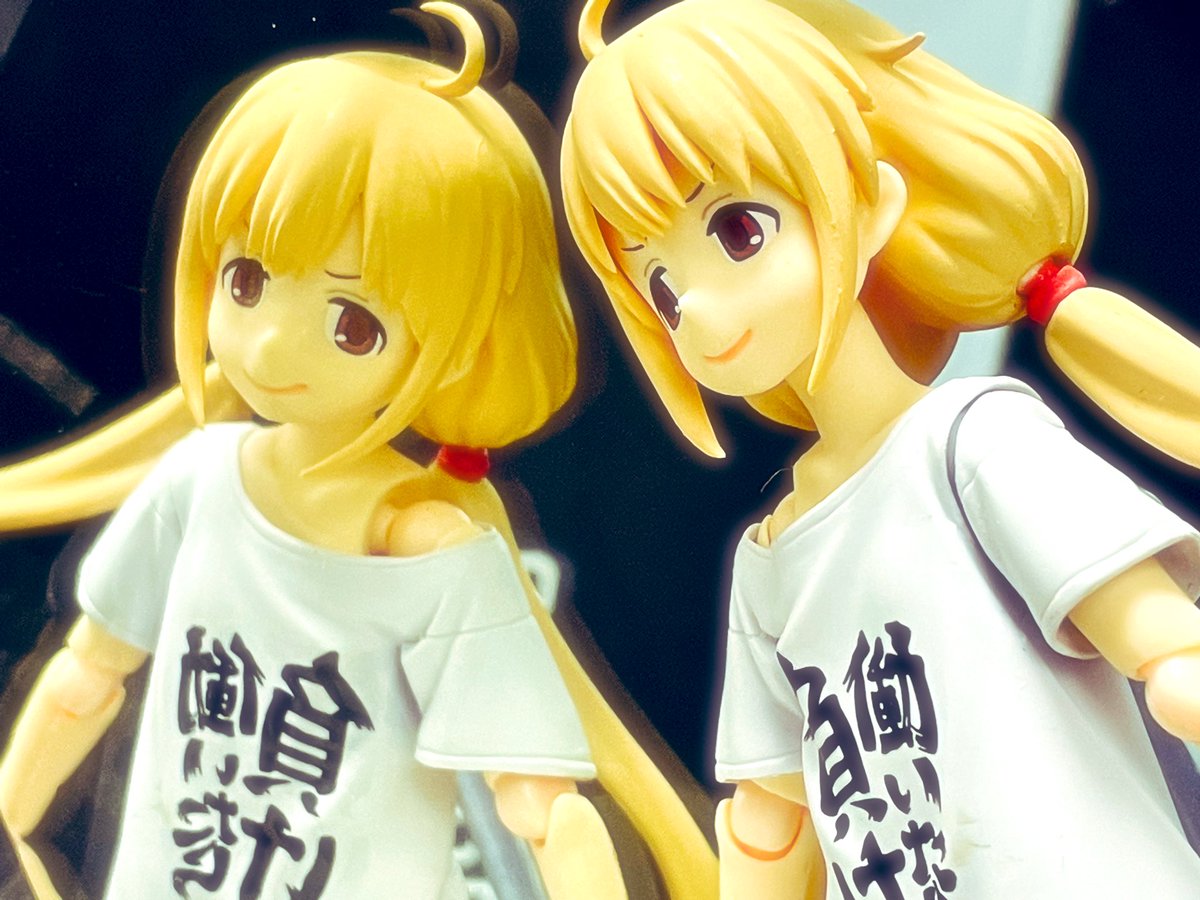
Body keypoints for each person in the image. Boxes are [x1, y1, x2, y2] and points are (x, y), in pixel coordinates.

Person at [0, 3, 716, 897]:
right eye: (246, 280)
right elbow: (84, 679)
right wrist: (15, 826)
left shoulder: (435, 552)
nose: (269, 346)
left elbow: (541, 804)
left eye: (352, 324)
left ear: (460, 340)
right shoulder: (196, 481)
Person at [561, 0, 1200, 896]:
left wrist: (1174, 668)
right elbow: (771, 821)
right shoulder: (772, 561)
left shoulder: (971, 446)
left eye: (738, 231)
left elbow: (1161, 642)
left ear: (867, 203)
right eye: (661, 286)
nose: (696, 307)